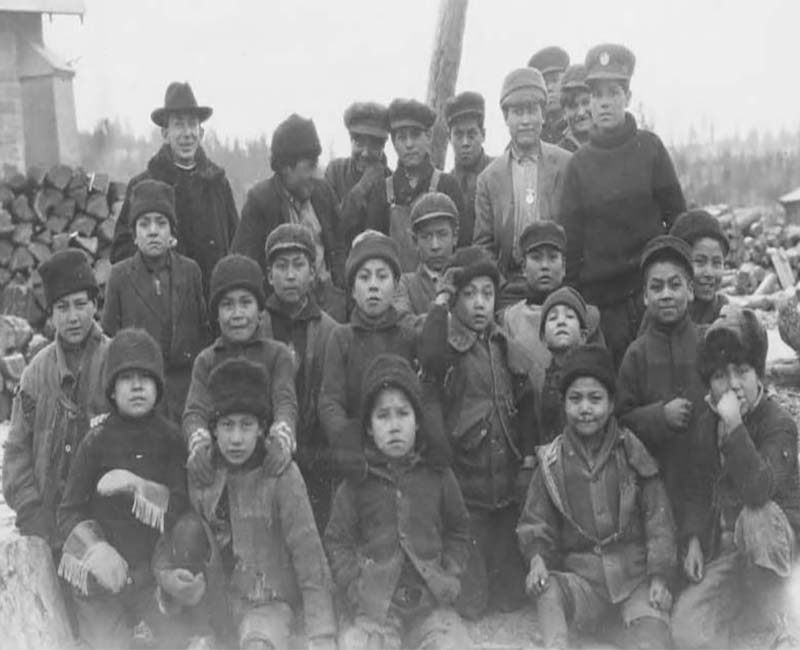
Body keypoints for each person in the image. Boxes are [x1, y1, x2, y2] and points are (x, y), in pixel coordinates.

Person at [517, 344, 676, 650]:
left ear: (612, 403)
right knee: (547, 591)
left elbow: (659, 520)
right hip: (584, 583)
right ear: (563, 403)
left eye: (595, 398)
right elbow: (535, 522)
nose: (585, 408)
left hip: (634, 581)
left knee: (653, 639)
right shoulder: (552, 461)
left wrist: (659, 578)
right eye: (575, 399)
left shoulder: (631, 450)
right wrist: (537, 561)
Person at [176, 358, 337, 650]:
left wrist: (321, 634)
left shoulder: (280, 474)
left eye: (246, 425)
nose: (236, 439)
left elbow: (308, 553)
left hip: (268, 602)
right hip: (217, 604)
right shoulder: (203, 474)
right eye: (227, 426)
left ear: (262, 428)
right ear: (213, 429)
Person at [325, 354, 473, 650]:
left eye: (403, 414)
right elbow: (337, 541)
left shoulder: (438, 475)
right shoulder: (356, 483)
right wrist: (356, 587)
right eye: (383, 416)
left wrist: (450, 572)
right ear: (368, 427)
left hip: (430, 603)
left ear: (418, 421)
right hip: (378, 606)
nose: (394, 426)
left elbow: (459, 530)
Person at [672, 307, 800, 648]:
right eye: (719, 377)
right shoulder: (706, 425)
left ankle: (782, 620)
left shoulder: (779, 423)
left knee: (756, 515)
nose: (732, 385)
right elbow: (698, 489)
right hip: (733, 555)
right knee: (686, 628)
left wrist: (735, 427)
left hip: (783, 555)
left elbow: (758, 489)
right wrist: (695, 539)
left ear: (759, 374)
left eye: (742, 371)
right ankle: (747, 624)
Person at [421, 246, 535, 618]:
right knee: (470, 604)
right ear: (455, 301)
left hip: (503, 493)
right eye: (469, 295)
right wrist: (440, 301)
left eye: (487, 293)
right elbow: (430, 359)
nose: (480, 304)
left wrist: (528, 456)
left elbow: (526, 397)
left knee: (511, 599)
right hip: (466, 493)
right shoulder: (447, 347)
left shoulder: (504, 345)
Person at [57, 328, 189, 649]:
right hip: (104, 580)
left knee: (176, 641)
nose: (137, 386)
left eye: (146, 377)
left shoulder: (171, 439)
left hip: (152, 576)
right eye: (126, 378)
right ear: (112, 390)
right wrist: (94, 549)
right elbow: (68, 511)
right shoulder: (96, 440)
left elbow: (184, 507)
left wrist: (141, 488)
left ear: (158, 387)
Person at [560, 44, 686, 369]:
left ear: (627, 97)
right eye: (597, 94)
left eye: (613, 92)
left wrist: (671, 283)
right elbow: (571, 247)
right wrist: (580, 307)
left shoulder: (651, 149)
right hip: (603, 306)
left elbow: (678, 221)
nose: (604, 102)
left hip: (652, 296)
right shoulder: (579, 166)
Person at [318, 230, 450, 482]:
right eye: (364, 278)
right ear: (353, 290)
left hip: (408, 457)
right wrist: (347, 445)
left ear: (396, 285)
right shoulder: (342, 338)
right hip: (361, 462)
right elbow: (330, 402)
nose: (374, 286)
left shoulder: (408, 334)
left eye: (382, 276)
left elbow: (429, 385)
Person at [3, 249, 109, 550]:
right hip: (45, 515)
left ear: (95, 305)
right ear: (50, 314)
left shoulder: (117, 362)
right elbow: (17, 450)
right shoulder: (34, 375)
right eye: (62, 307)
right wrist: (30, 507)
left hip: (105, 516)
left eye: (80, 304)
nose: (73, 317)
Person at [110, 82, 238, 295]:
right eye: (179, 125)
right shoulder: (142, 185)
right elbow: (120, 252)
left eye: (192, 125)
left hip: (213, 301)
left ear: (202, 132)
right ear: (165, 133)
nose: (187, 133)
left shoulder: (217, 183)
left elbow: (236, 242)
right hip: (164, 304)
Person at [183, 254, 297, 486]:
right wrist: (198, 444)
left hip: (266, 467)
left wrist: (282, 438)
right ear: (216, 313)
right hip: (221, 469)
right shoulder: (207, 360)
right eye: (227, 305)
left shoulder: (277, 355)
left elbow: (285, 402)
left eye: (245, 303)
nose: (237, 314)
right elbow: (195, 411)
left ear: (259, 309)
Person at [102, 179, 211, 424]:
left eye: (161, 223)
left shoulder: (190, 271)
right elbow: (109, 341)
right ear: (134, 234)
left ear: (171, 231)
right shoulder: (120, 276)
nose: (153, 231)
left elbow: (203, 332)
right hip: (140, 396)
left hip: (187, 396)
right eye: (144, 224)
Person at [616, 235, 706, 526]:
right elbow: (621, 418)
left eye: (675, 285)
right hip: (655, 480)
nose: (666, 294)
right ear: (645, 296)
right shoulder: (636, 354)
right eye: (656, 287)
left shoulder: (706, 343)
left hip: (705, 476)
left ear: (690, 291)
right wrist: (660, 416)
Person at [232, 114, 346, 322]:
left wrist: (340, 293)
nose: (314, 173)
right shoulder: (261, 202)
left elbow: (340, 249)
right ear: (286, 168)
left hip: (328, 307)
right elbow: (245, 265)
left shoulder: (323, 193)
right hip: (282, 311)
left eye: (316, 165)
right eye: (308, 167)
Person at [473, 67, 571, 308]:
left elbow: (578, 231)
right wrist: (501, 283)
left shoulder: (567, 164)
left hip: (559, 286)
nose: (526, 120)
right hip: (511, 288)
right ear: (506, 118)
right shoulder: (489, 178)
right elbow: (483, 244)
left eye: (532, 110)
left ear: (543, 114)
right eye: (517, 112)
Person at [262, 223, 339, 529]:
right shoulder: (257, 327)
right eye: (281, 267)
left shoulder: (331, 331)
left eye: (298, 265)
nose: (290, 275)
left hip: (315, 459)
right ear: (269, 276)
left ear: (312, 272)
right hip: (265, 457)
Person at [340, 98, 465, 272]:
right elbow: (374, 251)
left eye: (415, 135)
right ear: (393, 142)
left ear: (428, 137)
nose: (409, 144)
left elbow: (462, 247)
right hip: (396, 292)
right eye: (401, 137)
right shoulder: (382, 190)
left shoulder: (447, 185)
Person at [501, 221, 603, 399]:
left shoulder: (587, 317)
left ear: (563, 267)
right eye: (536, 258)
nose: (545, 266)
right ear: (524, 267)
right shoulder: (509, 319)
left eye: (552, 257)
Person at [393, 192, 459, 321]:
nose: (435, 246)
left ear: (455, 236)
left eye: (442, 234)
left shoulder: (470, 277)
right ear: (414, 241)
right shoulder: (405, 285)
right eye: (426, 236)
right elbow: (403, 324)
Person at [536, 287, 590, 444]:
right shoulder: (538, 381)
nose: (561, 322)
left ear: (583, 335)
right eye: (552, 318)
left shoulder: (592, 377)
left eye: (570, 316)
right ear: (543, 338)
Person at [325, 101, 391, 219]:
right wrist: (363, 186)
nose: (365, 153)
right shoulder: (335, 171)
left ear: (383, 146)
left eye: (373, 145)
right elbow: (331, 225)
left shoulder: (391, 181)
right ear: (351, 141)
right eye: (359, 143)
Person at [445, 91, 493, 246]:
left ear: (483, 135)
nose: (465, 142)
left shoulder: (497, 173)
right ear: (449, 138)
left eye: (472, 134)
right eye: (458, 135)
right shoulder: (444, 184)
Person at [670, 209, 730, 327]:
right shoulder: (663, 313)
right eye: (699, 262)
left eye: (717, 263)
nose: (709, 273)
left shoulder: (725, 315)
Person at [528, 46, 571, 145]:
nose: (549, 88)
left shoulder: (581, 126)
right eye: (544, 83)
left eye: (555, 80)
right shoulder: (532, 134)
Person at [557, 64, 592, 153]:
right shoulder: (556, 157)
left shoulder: (617, 147)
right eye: (572, 106)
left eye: (586, 102)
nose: (581, 113)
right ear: (564, 112)